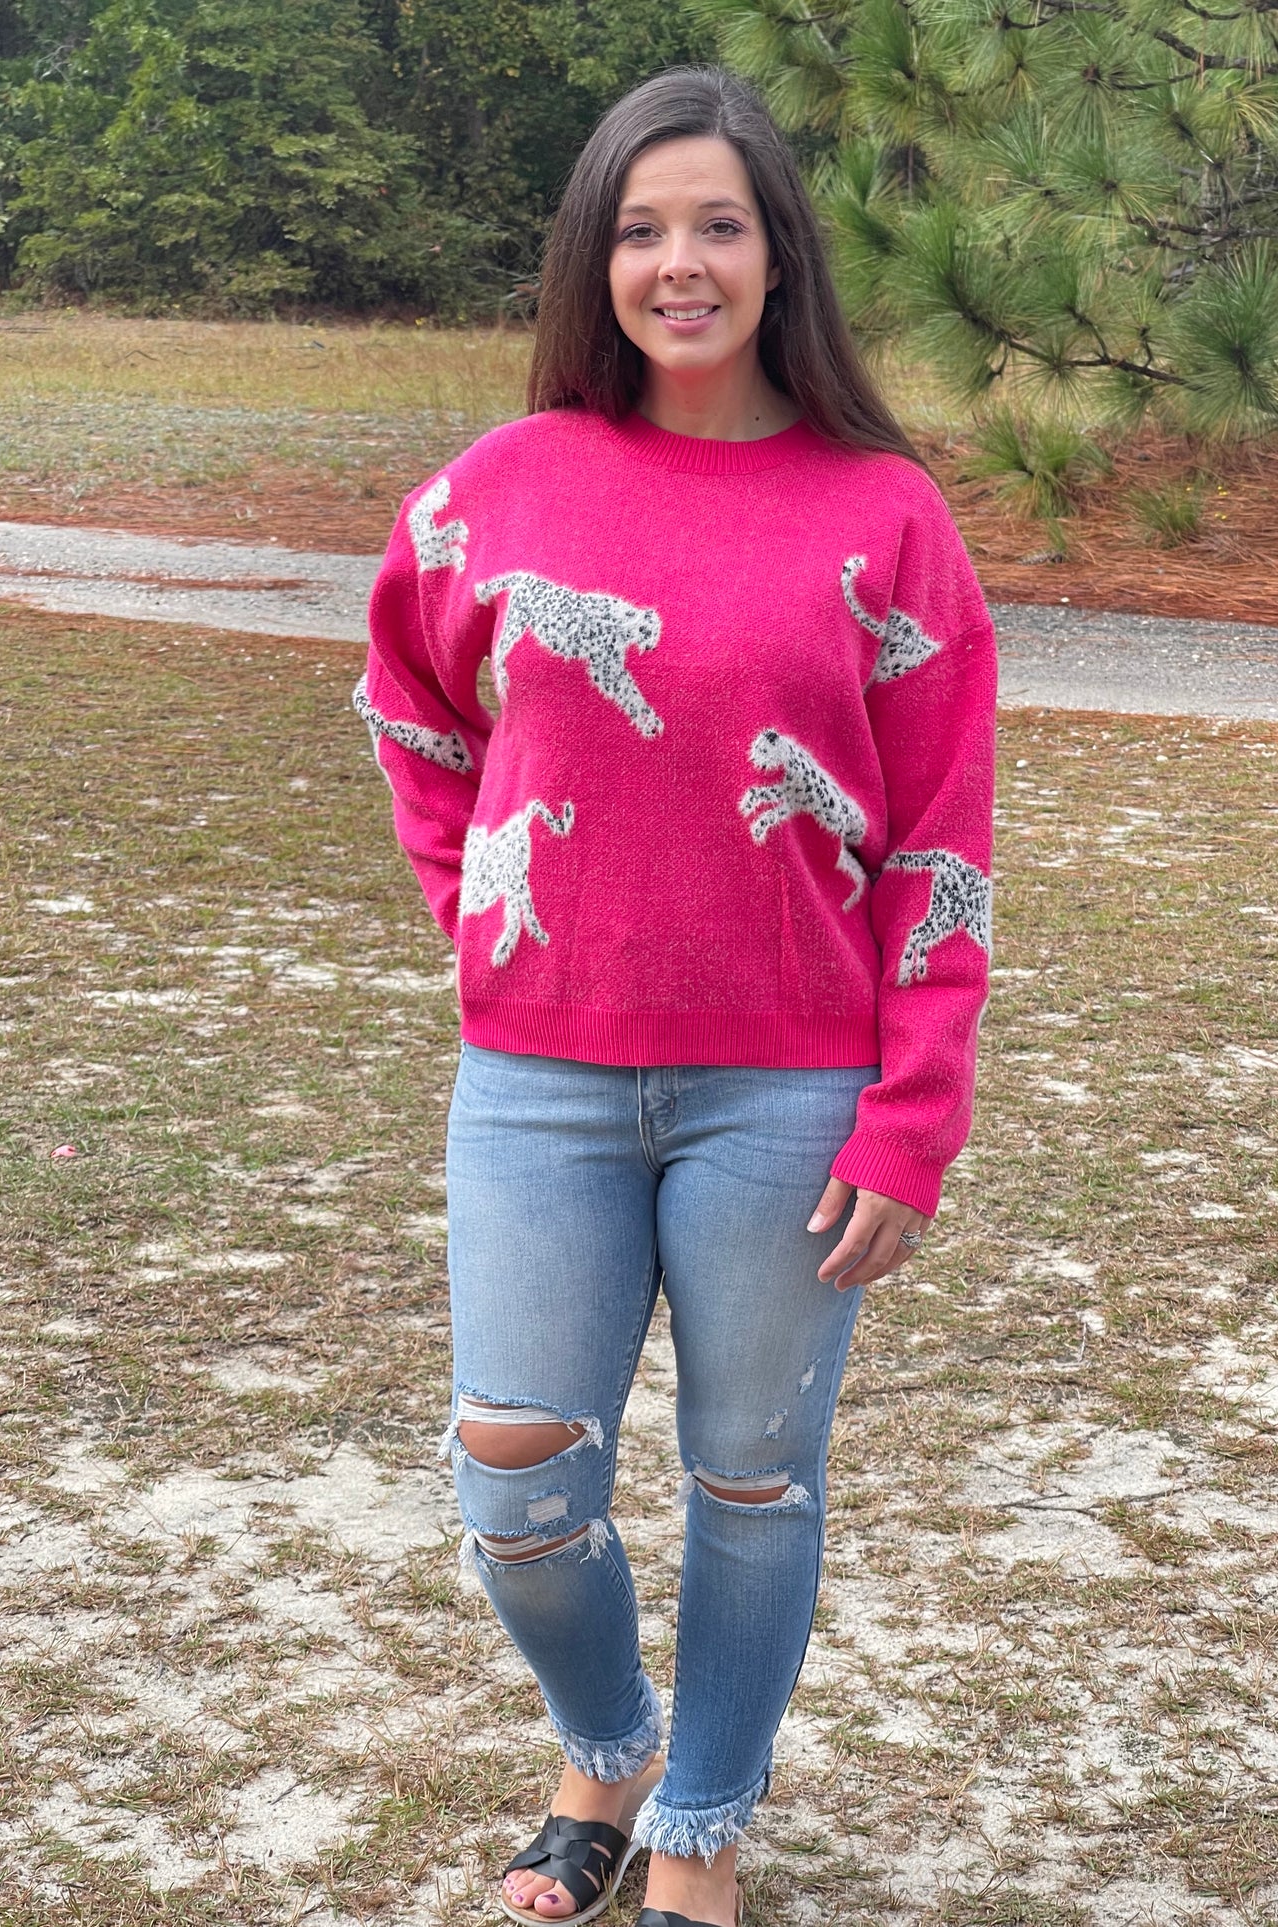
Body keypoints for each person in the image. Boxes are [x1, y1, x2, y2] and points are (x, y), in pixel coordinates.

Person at [355, 64, 995, 1927]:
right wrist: (484, 914)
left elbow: (939, 842)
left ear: (778, 252)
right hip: (539, 1076)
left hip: (789, 1093)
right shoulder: (501, 488)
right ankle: (608, 1737)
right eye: (640, 229)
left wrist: (912, 1111)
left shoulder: (881, 516)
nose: (679, 261)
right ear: (593, 259)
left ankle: (694, 1827)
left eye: (718, 223)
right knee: (515, 1473)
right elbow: (411, 710)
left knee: (749, 1483)